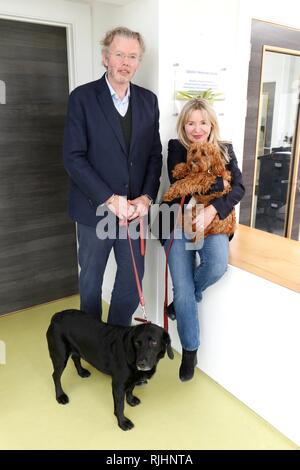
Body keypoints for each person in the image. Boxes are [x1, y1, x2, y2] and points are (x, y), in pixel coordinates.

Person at [63, 27, 162, 326]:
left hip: (133, 212)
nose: (125, 62)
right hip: (95, 209)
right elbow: (73, 157)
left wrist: (145, 198)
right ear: (105, 58)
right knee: (91, 284)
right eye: (119, 54)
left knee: (132, 282)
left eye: (132, 56)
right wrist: (109, 199)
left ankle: (116, 342)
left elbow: (154, 156)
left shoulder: (149, 101)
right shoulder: (82, 98)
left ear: (138, 62)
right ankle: (90, 342)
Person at [163, 99, 245, 381]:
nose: (197, 129)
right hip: (180, 223)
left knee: (216, 265)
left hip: (214, 221)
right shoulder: (176, 148)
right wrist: (221, 184)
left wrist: (213, 208)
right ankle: (190, 350)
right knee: (182, 287)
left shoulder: (226, 150)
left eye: (203, 122)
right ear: (183, 125)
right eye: (191, 123)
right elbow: (180, 184)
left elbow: (240, 188)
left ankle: (182, 302)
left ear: (212, 124)